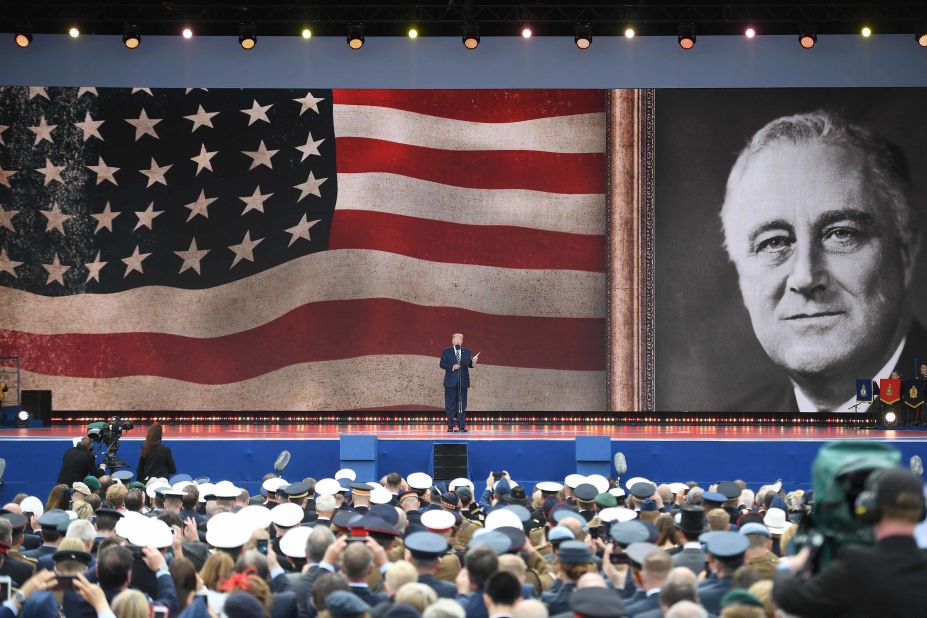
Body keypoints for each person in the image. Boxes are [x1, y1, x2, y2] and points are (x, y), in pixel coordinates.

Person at [719, 110, 926, 412]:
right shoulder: (725, 437)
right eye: (773, 242)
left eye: (841, 234)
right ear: (741, 276)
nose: (805, 277)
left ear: (905, 253)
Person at [773, 467, 927, 617]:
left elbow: (791, 599)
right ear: (921, 512)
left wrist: (788, 566)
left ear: (870, 509)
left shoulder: (856, 563)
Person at [439, 333, 478, 432]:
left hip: (463, 382)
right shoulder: (446, 351)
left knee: (462, 405)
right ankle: (450, 426)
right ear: (452, 341)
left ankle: (461, 426)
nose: (457, 341)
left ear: (462, 341)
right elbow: (442, 364)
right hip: (450, 382)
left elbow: (469, 365)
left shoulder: (466, 352)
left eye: (459, 339)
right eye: (455, 339)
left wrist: (473, 362)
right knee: (450, 405)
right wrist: (452, 366)